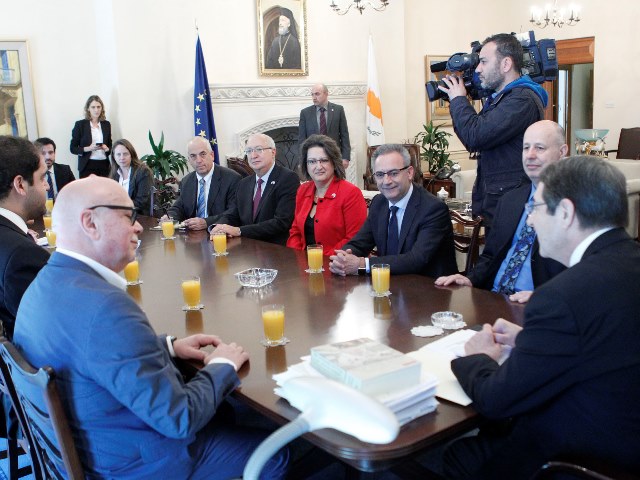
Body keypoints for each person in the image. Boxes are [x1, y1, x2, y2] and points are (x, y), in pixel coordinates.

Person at [13, 176, 288, 479]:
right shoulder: (108, 308)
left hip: (92, 449)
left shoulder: (43, 285)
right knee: (276, 451)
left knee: (229, 412)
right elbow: (179, 417)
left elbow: (89, 352)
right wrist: (223, 364)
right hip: (139, 464)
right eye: (127, 215)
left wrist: (167, 346)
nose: (139, 226)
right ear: (90, 223)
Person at [443, 156, 640, 479]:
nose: (530, 222)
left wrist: (477, 356)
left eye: (534, 208)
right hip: (627, 433)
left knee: (461, 456)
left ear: (564, 213)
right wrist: (529, 338)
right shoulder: (627, 262)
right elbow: (608, 337)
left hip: (581, 457)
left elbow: (495, 400)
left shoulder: (561, 297)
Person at [435, 120, 567, 303]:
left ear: (562, 152)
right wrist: (470, 279)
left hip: (537, 308)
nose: (530, 155)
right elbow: (490, 255)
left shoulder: (575, 206)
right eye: (526, 147)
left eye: (540, 148)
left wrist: (545, 298)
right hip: (493, 298)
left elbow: (585, 272)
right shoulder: (510, 200)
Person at [438, 33, 547, 232]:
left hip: (511, 207)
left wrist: (458, 100)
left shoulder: (521, 100)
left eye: (484, 62)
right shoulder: (503, 99)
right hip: (499, 203)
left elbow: (476, 135)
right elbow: (472, 137)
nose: (478, 69)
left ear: (506, 64)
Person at [329, 144, 457, 277]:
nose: (386, 181)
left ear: (409, 173)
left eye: (394, 173)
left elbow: (416, 259)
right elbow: (359, 243)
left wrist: (362, 264)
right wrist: (342, 258)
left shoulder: (433, 208)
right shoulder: (379, 203)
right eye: (379, 174)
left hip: (430, 289)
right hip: (389, 286)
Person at [0, 136, 50, 340]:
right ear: (20, 184)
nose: (46, 186)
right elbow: (47, 329)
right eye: (42, 178)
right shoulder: (22, 254)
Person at [211, 133, 299, 246]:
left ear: (273, 152)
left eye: (259, 149)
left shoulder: (288, 178)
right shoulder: (244, 183)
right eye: (249, 151)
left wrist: (239, 231)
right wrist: (219, 227)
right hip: (246, 248)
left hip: (276, 250)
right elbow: (233, 214)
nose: (253, 155)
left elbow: (281, 222)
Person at [287, 135, 367, 256]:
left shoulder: (351, 193)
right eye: (312, 161)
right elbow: (295, 231)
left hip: (337, 264)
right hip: (304, 263)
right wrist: (297, 257)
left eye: (324, 160)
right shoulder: (302, 190)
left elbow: (354, 238)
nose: (318, 167)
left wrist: (321, 259)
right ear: (306, 165)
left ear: (334, 163)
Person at [163, 136, 241, 231]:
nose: (198, 160)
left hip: (219, 234)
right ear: (189, 160)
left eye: (203, 154)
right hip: (193, 238)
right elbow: (179, 207)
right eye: (193, 156)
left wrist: (207, 222)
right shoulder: (186, 181)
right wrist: (169, 217)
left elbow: (233, 213)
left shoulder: (231, 178)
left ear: (212, 155)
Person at [299, 83, 351, 169]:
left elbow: (344, 135)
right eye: (312, 94)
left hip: (334, 156)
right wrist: (302, 160)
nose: (314, 97)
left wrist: (346, 157)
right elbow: (302, 139)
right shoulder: (305, 113)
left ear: (326, 93)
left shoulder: (338, 110)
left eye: (317, 94)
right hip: (314, 158)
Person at [70, 94, 112, 178]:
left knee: (104, 190)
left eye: (98, 107)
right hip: (87, 165)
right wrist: (88, 148)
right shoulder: (80, 125)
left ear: (102, 108)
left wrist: (107, 148)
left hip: (104, 164)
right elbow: (73, 148)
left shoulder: (106, 124)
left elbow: (110, 147)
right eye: (93, 107)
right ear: (88, 109)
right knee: (87, 191)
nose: (96, 110)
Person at [109, 139, 153, 216]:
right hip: (121, 215)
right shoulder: (114, 174)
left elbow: (141, 202)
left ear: (131, 155)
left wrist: (119, 207)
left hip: (141, 216)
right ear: (114, 156)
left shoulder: (143, 171)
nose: (122, 158)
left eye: (125, 154)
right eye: (118, 154)